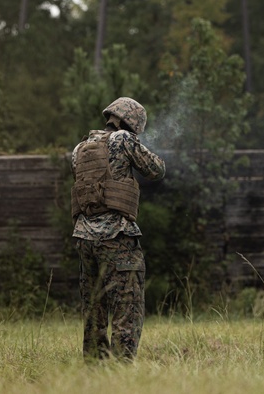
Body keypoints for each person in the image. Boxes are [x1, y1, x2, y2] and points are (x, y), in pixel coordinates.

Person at [70, 97, 165, 360]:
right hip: (117, 236)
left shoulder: (80, 148)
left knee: (94, 310)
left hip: (85, 238)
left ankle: (95, 369)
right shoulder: (124, 139)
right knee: (128, 307)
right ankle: (122, 372)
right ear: (132, 122)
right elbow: (156, 170)